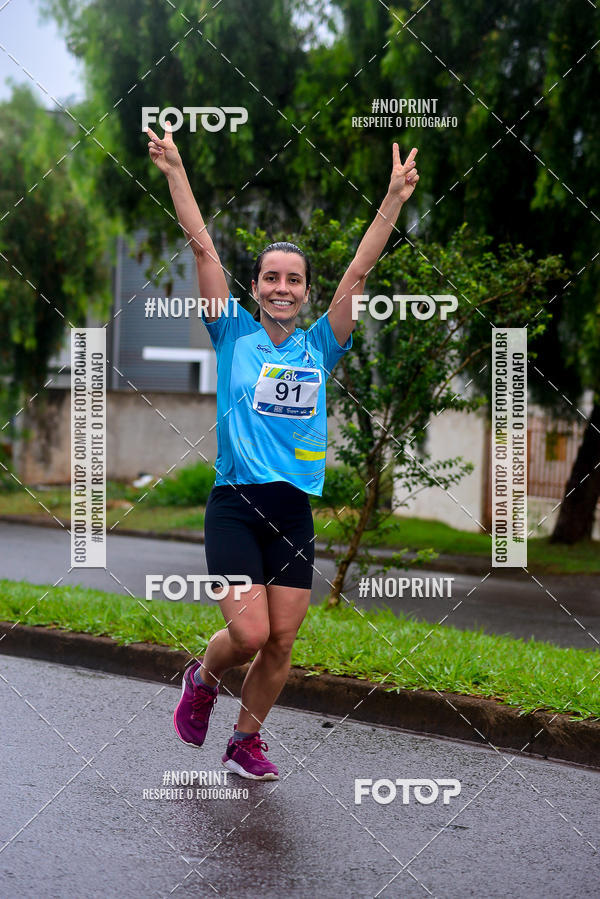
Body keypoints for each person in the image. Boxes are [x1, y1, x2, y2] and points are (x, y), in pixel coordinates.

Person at [147, 122, 419, 780]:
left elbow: (360, 269)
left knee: (283, 640)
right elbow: (201, 244)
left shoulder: (321, 345)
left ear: (305, 291)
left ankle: (245, 741)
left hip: (293, 510)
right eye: (271, 276)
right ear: (256, 285)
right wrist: (176, 171)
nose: (282, 287)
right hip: (235, 506)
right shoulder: (232, 332)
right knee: (250, 634)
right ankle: (202, 679)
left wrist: (393, 199)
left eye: (294, 279)